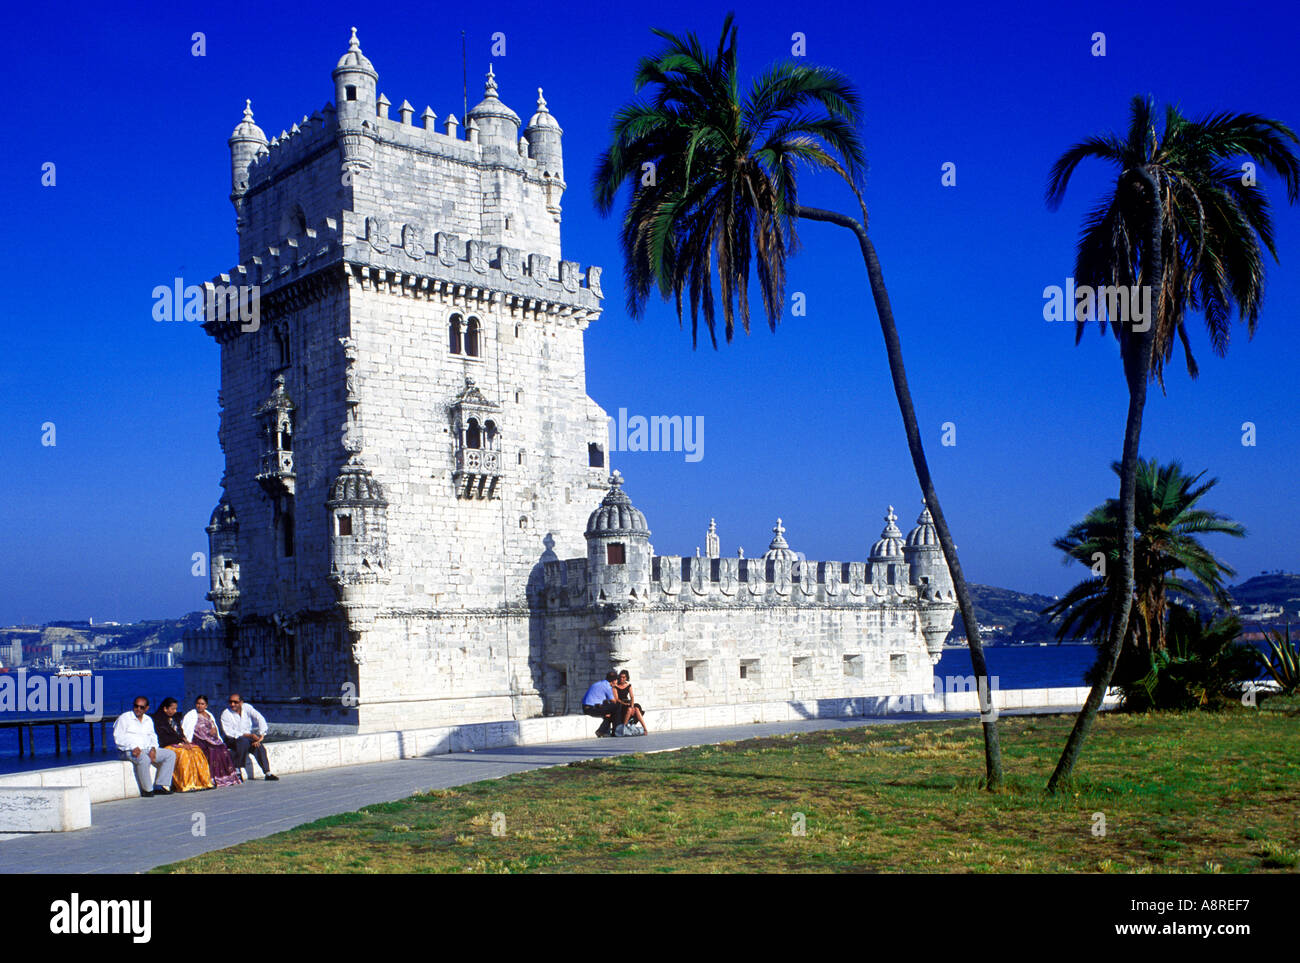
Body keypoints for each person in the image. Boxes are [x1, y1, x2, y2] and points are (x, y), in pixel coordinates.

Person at [113, 696, 176, 797]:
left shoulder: (148, 720)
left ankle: (161, 785)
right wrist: (133, 746)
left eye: (141, 707)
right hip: (128, 750)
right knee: (144, 759)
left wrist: (153, 748)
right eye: (136, 706)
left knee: (170, 754)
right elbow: (118, 738)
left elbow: (153, 736)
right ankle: (147, 790)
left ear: (147, 708)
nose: (138, 709)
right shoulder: (124, 718)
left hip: (146, 749)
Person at [151, 697, 214, 792]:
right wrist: (180, 743)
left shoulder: (175, 718)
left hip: (179, 743)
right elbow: (163, 737)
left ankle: (201, 782)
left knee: (196, 750)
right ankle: (185, 784)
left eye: (176, 708)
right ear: (165, 708)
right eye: (172, 709)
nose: (175, 711)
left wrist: (185, 740)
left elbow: (180, 731)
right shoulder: (158, 720)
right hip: (168, 744)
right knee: (184, 754)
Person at [183, 695, 243, 788]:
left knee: (222, 748)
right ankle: (214, 778)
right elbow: (192, 729)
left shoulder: (209, 714)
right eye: (198, 704)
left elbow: (214, 727)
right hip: (199, 739)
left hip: (210, 738)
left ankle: (227, 777)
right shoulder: (191, 715)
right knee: (213, 750)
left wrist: (214, 731)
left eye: (202, 704)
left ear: (206, 705)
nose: (199, 706)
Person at [220, 693, 278, 781]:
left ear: (241, 702)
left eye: (235, 702)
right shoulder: (226, 714)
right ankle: (237, 770)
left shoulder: (247, 707)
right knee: (243, 742)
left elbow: (259, 718)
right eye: (230, 702)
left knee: (259, 747)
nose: (232, 704)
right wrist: (249, 735)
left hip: (247, 738)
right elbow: (229, 732)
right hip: (232, 739)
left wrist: (261, 735)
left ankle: (267, 773)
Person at [581, 671, 624, 737]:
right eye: (616, 680)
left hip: (587, 707)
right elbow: (614, 701)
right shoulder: (607, 687)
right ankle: (616, 731)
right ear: (614, 680)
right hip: (592, 708)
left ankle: (602, 731)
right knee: (617, 706)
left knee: (610, 713)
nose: (617, 681)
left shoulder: (599, 683)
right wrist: (614, 688)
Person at [614, 669, 648, 734]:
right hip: (621, 704)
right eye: (620, 677)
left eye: (623, 677)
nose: (622, 679)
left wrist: (632, 705)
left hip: (628, 702)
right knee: (629, 709)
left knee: (636, 708)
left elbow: (632, 697)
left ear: (626, 678)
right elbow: (617, 699)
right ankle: (624, 728)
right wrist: (624, 703)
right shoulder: (616, 686)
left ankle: (645, 728)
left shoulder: (628, 685)